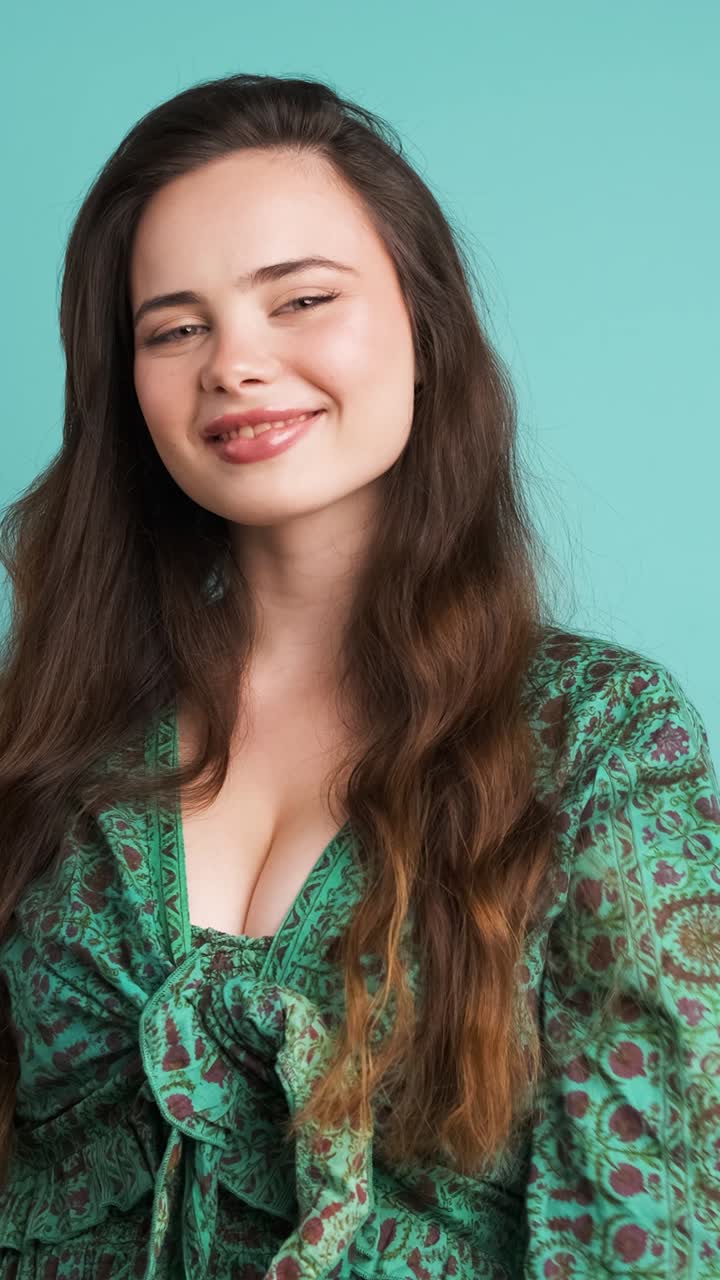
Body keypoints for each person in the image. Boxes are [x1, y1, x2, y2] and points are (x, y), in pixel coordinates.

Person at [0, 72, 717, 1280]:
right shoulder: (54, 728)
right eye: (176, 327)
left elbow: (645, 1237)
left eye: (301, 299)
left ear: (425, 329)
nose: (235, 363)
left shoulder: (602, 738)